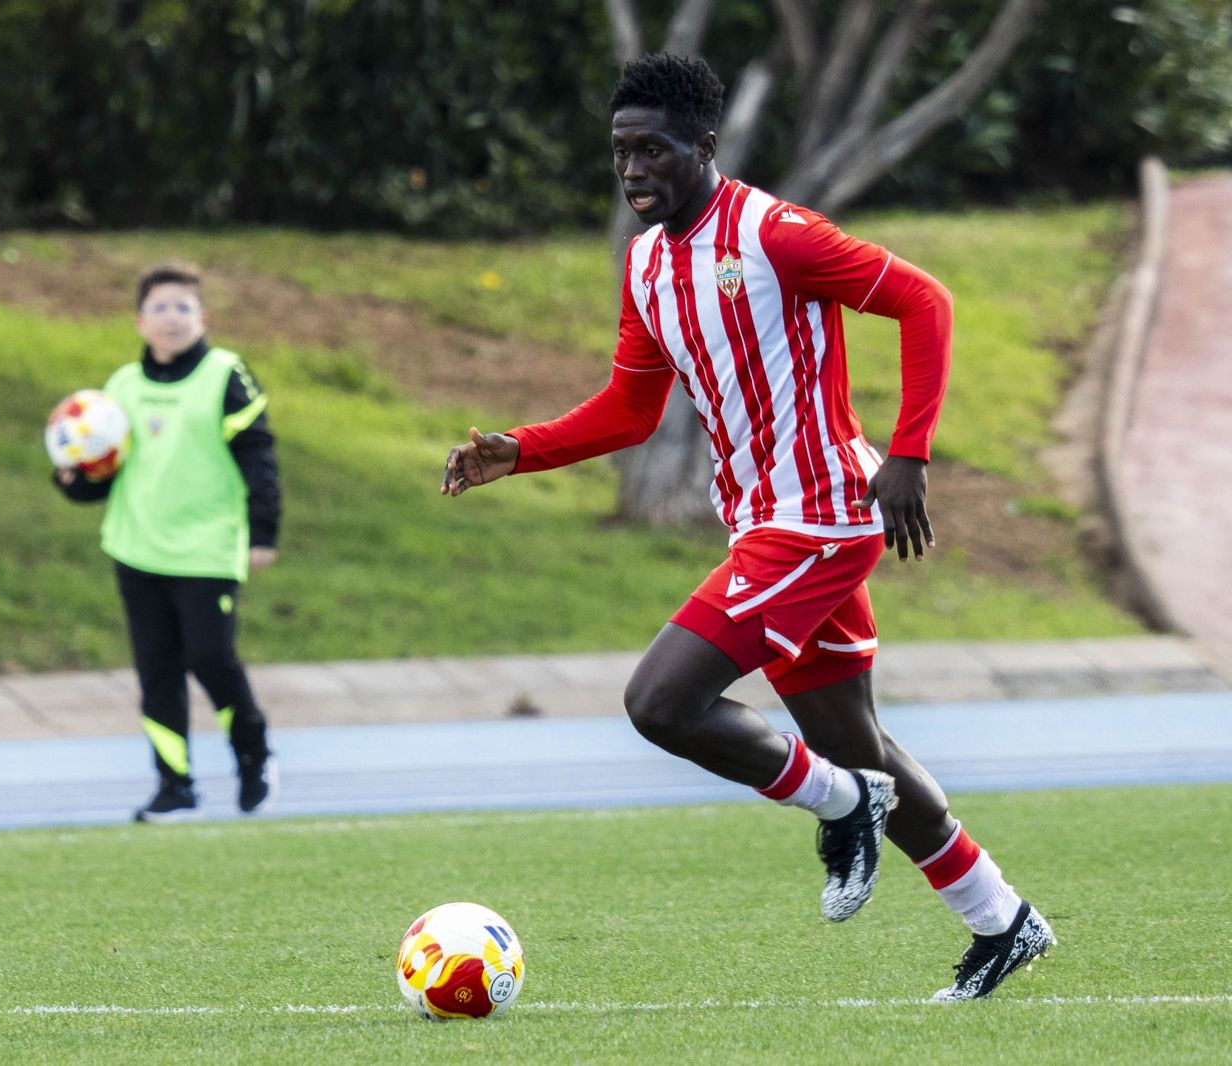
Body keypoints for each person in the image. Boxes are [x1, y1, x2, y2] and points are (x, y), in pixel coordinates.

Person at [442, 52, 1052, 1002]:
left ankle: (844, 807)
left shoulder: (775, 234)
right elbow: (630, 411)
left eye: (653, 149)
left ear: (704, 145)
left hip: (820, 520)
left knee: (660, 704)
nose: (634, 169)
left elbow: (923, 300)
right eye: (621, 151)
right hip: (764, 524)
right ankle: (1003, 920)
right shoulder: (647, 265)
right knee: (858, 744)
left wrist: (910, 452)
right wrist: (520, 451)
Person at [56, 261, 279, 821]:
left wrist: (263, 530)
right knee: (157, 673)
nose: (172, 317)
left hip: (206, 550)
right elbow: (107, 470)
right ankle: (174, 785)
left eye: (184, 307)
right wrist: (75, 481)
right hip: (136, 548)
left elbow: (258, 453)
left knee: (210, 658)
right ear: (140, 321)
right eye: (159, 307)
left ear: (202, 318)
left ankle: (253, 755)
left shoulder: (226, 375)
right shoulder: (121, 387)